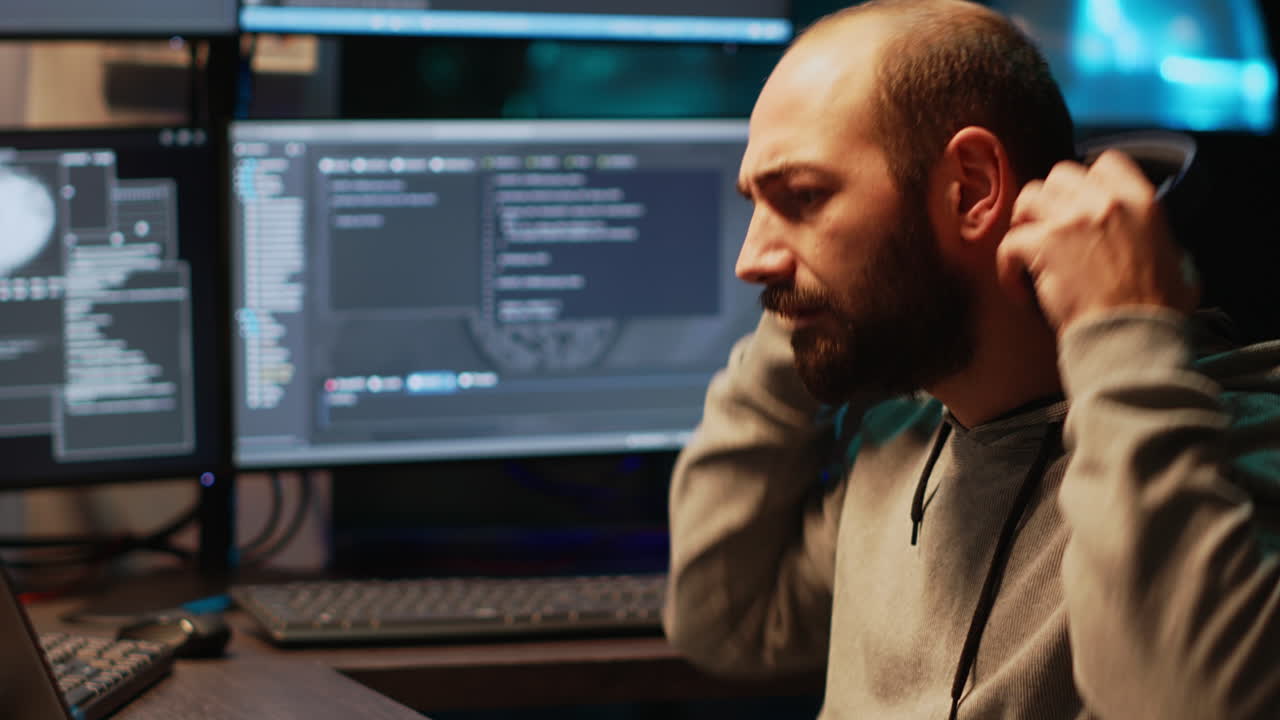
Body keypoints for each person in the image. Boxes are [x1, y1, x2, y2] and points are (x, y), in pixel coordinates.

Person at [662, 1, 1280, 719]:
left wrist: (1124, 336)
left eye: (803, 196)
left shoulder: (1235, 444)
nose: (749, 260)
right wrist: (806, 296)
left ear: (974, 187)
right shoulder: (905, 446)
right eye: (756, 207)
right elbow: (724, 620)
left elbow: (1186, 702)